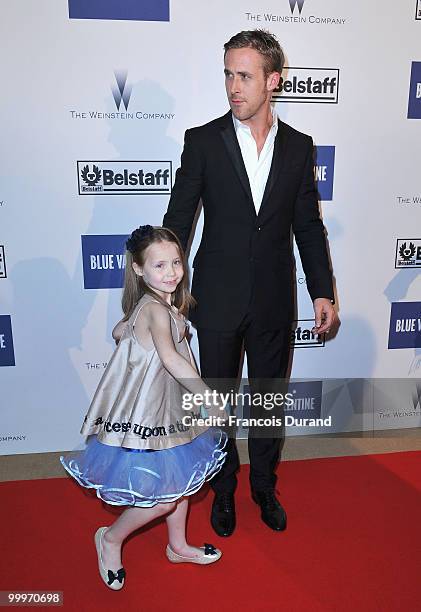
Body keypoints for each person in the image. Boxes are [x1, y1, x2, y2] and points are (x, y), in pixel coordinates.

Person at [163, 29, 336, 537]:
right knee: (216, 402)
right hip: (214, 298)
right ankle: (222, 490)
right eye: (227, 75)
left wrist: (321, 290)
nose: (233, 87)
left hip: (274, 299)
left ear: (273, 81)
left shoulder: (301, 148)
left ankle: (263, 484)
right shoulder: (202, 141)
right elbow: (178, 220)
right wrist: (164, 290)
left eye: (244, 76)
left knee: (266, 400)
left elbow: (307, 224)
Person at [60, 225, 227, 591]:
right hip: (150, 417)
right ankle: (110, 539)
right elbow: (171, 358)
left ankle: (178, 546)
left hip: (171, 409)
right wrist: (208, 398)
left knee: (181, 484)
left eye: (176, 263)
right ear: (138, 269)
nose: (171, 273)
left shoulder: (156, 304)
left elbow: (122, 332)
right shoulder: (154, 308)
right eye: (159, 266)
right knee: (161, 499)